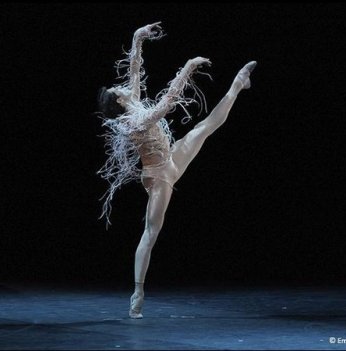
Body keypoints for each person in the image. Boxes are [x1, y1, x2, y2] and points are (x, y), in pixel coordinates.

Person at [97, 22, 256, 318]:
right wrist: (188, 67)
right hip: (159, 176)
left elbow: (134, 67)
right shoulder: (134, 122)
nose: (121, 86)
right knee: (151, 231)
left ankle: (238, 83)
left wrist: (138, 37)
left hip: (170, 158)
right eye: (117, 89)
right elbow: (168, 103)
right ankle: (138, 291)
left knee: (203, 128)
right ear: (119, 100)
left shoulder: (131, 99)